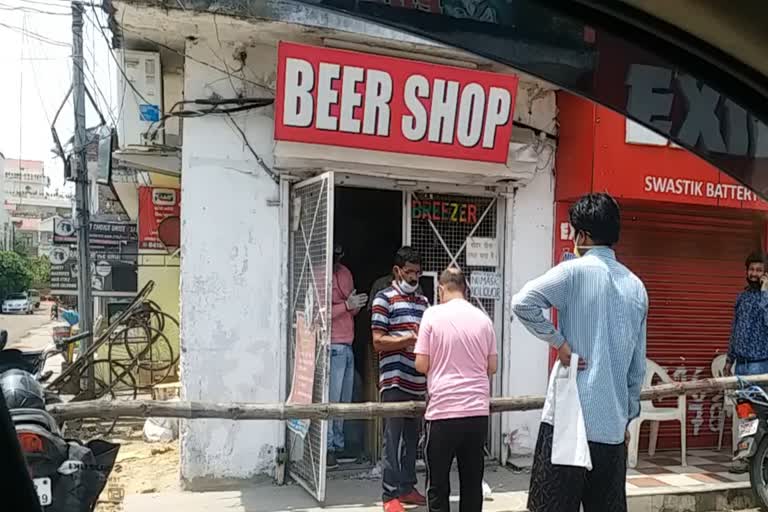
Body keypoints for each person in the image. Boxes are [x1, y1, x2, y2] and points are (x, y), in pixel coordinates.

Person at [511, 192, 648, 512]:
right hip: (611, 427)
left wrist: (559, 342)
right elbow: (636, 368)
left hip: (567, 422)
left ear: (583, 235)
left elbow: (522, 303)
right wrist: (627, 419)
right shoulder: (637, 287)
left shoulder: (573, 272)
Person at [414, 267, 497, 512]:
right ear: (465, 289)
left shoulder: (432, 315)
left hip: (443, 412)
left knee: (438, 484)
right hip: (476, 413)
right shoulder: (484, 319)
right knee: (472, 482)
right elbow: (491, 366)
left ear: (441, 289)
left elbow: (421, 364)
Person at [371, 247, 430, 512]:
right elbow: (378, 342)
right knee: (391, 439)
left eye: (418, 272)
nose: (414, 277)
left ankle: (407, 487)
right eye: (409, 272)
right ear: (397, 271)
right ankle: (389, 495)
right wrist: (408, 339)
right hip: (394, 381)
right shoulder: (384, 300)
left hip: (418, 382)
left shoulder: (424, 303)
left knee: (412, 438)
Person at [725, 251, 768, 472]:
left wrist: (764, 294)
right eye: (751, 269)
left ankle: (760, 459)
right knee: (745, 413)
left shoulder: (766, 298)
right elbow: (735, 330)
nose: (754, 273)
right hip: (741, 366)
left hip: (760, 366)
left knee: (761, 413)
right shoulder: (741, 297)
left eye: (759, 270)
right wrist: (728, 359)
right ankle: (745, 457)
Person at [328, 244, 368, 469]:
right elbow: (321, 311)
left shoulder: (345, 273)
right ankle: (330, 447)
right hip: (332, 344)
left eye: (339, 257)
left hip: (348, 343)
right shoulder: (319, 273)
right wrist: (345, 305)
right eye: (334, 257)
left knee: (344, 401)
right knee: (332, 400)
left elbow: (350, 309)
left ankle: (339, 444)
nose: (337, 261)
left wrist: (354, 305)